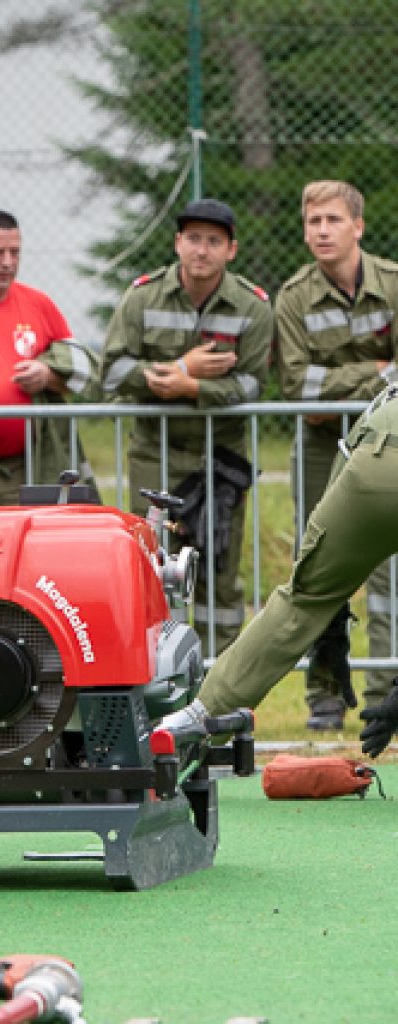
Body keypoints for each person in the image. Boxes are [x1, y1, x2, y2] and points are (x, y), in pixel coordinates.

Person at [161, 385, 398, 760]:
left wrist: (329, 615)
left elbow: (346, 462)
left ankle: (193, 720)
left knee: (299, 601)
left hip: (368, 460)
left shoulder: (388, 394)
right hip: (369, 453)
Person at [100, 198, 271, 656]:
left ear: (231, 250)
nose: (202, 250)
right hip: (154, 457)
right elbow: (112, 374)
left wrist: (189, 387)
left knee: (219, 576)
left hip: (222, 462)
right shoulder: (141, 296)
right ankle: (156, 679)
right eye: (193, 238)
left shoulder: (252, 308)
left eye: (214, 241)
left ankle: (221, 682)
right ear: (178, 243)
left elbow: (254, 385)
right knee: (151, 571)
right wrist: (178, 368)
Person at [276, 180, 398, 731]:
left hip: (389, 445)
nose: (321, 231)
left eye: (332, 220)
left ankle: (388, 692)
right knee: (319, 567)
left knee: (390, 575)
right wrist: (377, 373)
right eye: (312, 222)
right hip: (322, 449)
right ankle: (324, 698)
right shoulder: (293, 296)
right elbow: (300, 391)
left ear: (358, 226)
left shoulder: (393, 284)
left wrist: (339, 388)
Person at [0, 209, 101, 505]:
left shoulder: (38, 304)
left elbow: (85, 372)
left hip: (32, 466)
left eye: (15, 253)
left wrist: (48, 375)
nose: (7, 262)